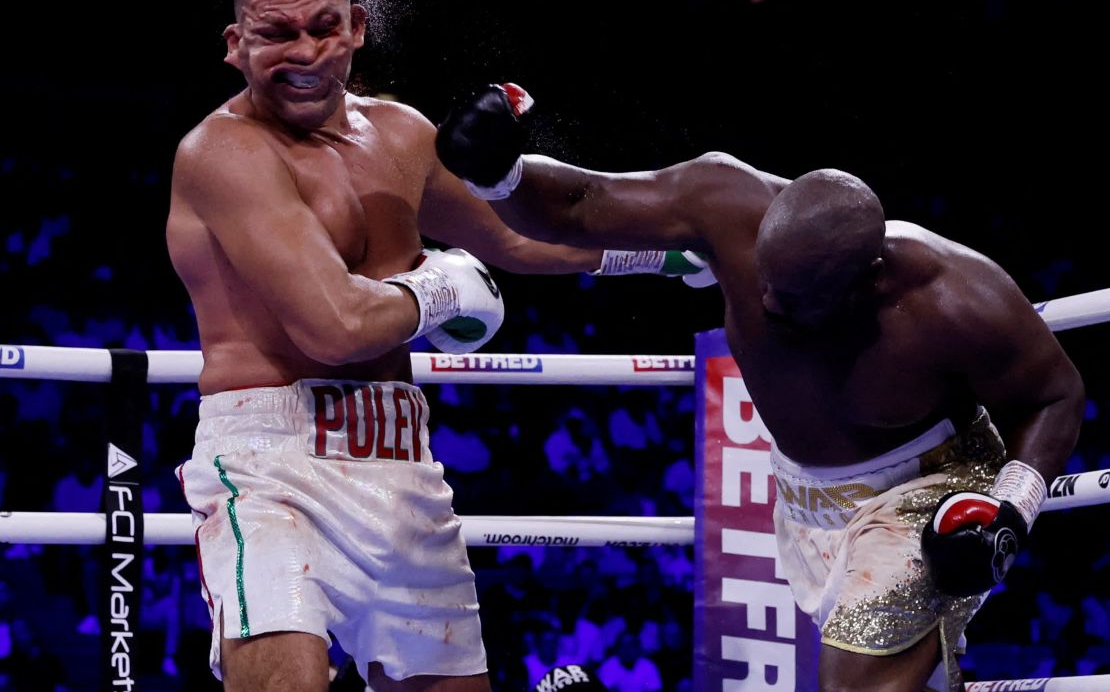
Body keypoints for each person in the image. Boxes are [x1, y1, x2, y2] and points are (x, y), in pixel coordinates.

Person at [434, 84, 1085, 692]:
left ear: (870, 283)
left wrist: (1009, 512)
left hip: (925, 488)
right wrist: (500, 174)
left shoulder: (954, 297)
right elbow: (580, 205)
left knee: (856, 676)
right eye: (763, 280)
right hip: (805, 504)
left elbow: (1054, 394)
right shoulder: (726, 204)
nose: (767, 302)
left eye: (794, 298)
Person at [164, 0, 667, 692]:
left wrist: (668, 253)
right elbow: (331, 325)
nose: (305, 50)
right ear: (237, 46)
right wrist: (443, 287)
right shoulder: (222, 152)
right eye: (276, 34)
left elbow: (518, 235)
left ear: (358, 26)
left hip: (399, 457)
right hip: (272, 462)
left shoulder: (400, 134)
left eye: (324, 26)